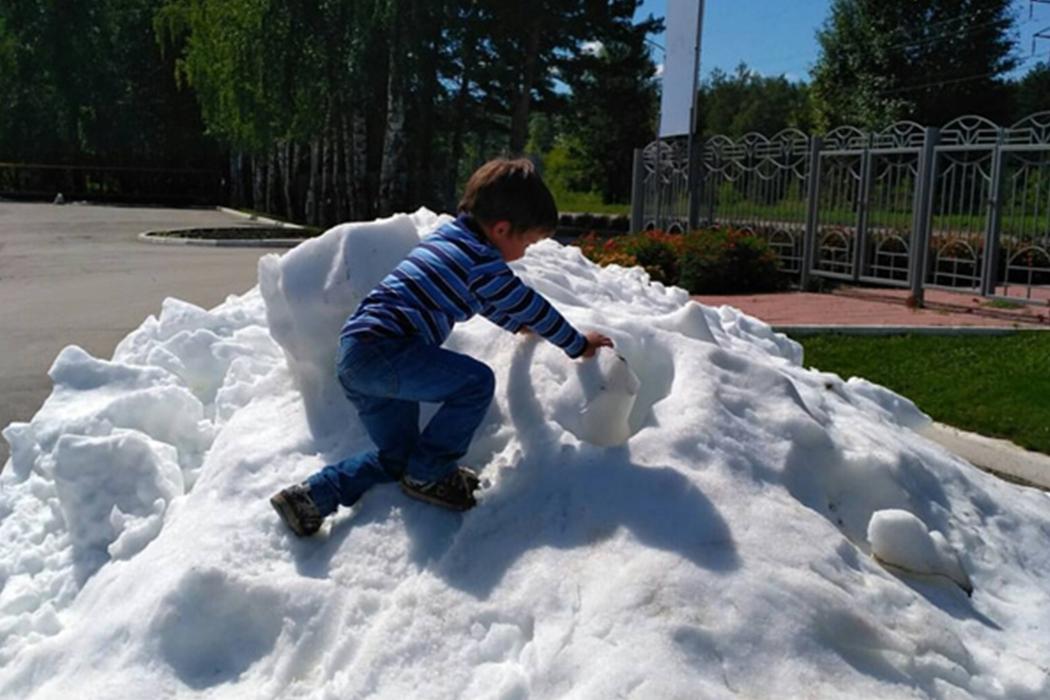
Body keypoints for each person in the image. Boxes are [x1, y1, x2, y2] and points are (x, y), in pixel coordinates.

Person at [270, 158, 613, 536]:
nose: (526, 253)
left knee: (396, 457)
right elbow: (528, 303)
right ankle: (430, 473)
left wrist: (516, 324)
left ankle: (310, 497)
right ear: (502, 229)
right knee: (475, 383)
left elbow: (483, 299)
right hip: (386, 351)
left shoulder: (449, 241)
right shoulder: (481, 262)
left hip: (358, 355)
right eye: (527, 243)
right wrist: (577, 344)